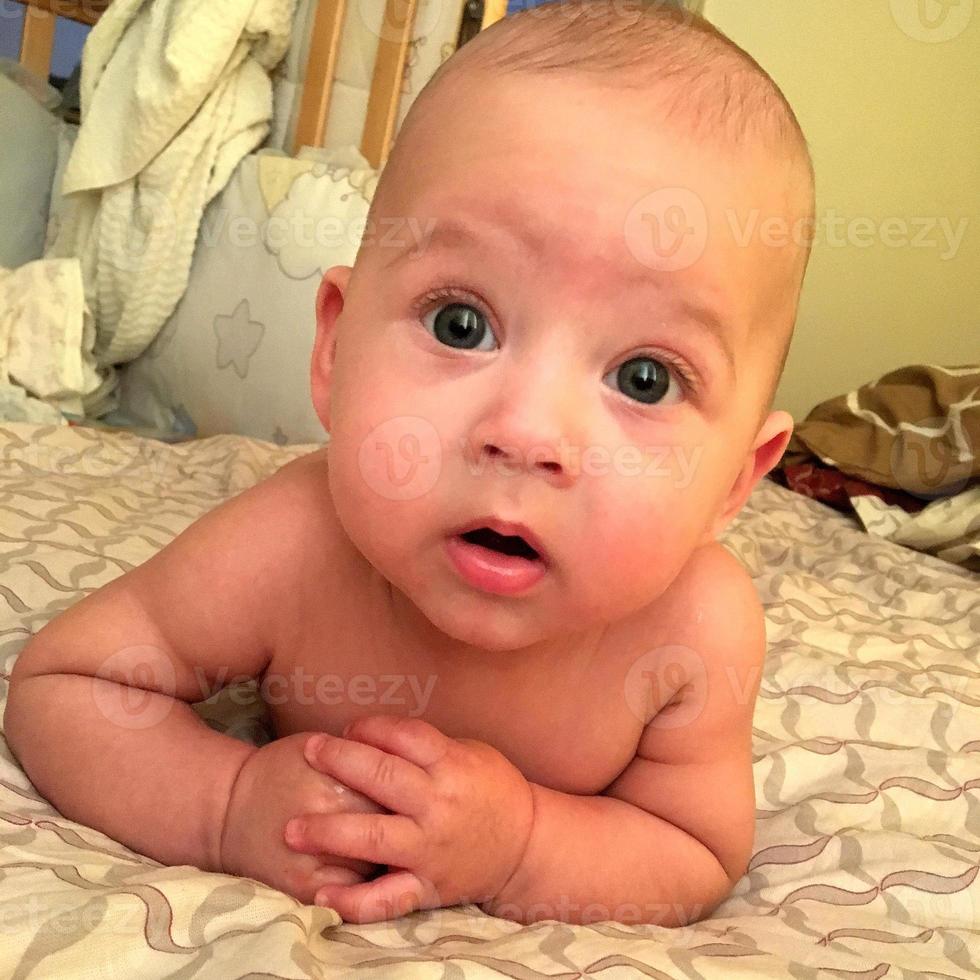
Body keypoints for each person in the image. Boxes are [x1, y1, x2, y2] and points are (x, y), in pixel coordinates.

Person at [6, 0, 816, 927]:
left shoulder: (695, 635)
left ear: (734, 483)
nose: (525, 433)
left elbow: (693, 851)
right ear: (336, 351)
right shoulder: (295, 541)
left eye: (643, 378)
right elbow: (68, 686)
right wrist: (223, 803)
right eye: (460, 324)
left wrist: (523, 846)